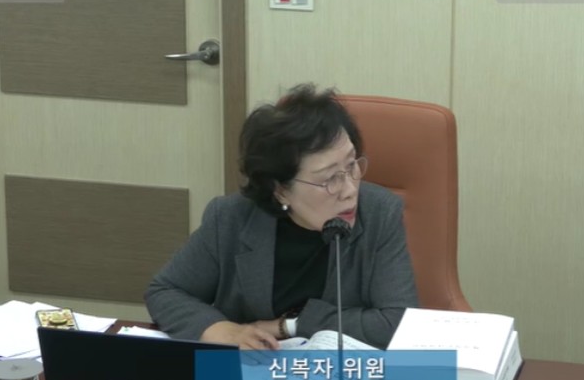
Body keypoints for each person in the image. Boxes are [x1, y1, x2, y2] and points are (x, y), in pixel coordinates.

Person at [144, 84, 418, 350]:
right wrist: (217, 329)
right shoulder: (230, 218)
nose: (349, 190)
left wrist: (290, 326)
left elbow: (398, 322)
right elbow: (165, 291)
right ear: (281, 190)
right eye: (329, 179)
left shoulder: (379, 212)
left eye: (352, 165)